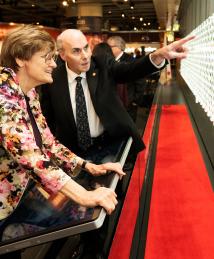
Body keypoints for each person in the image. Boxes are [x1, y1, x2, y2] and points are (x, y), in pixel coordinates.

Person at [0, 25, 126, 258]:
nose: (55, 64)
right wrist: (83, 195)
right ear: (21, 59)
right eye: (46, 58)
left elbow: (48, 143)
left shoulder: (27, 92)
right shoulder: (3, 97)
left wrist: (87, 165)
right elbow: (32, 156)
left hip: (16, 198)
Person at [40, 29, 193, 160]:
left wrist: (157, 56)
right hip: (74, 153)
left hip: (108, 145)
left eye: (86, 48)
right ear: (62, 55)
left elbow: (130, 70)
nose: (85, 55)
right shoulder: (52, 78)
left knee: (112, 189)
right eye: (76, 51)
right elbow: (48, 118)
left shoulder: (102, 64)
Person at [107, 35, 147, 122]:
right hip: (113, 105)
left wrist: (135, 101)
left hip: (128, 105)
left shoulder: (131, 61)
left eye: (110, 47)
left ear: (119, 47)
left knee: (128, 129)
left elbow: (141, 81)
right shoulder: (109, 61)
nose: (107, 50)